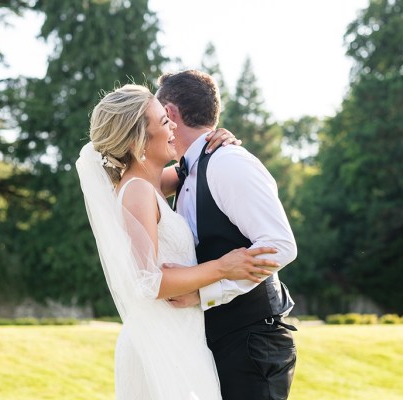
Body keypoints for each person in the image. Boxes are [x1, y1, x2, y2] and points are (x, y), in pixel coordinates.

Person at [76, 84, 282, 400]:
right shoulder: (138, 193)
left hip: (183, 335)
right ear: (137, 142)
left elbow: (195, 167)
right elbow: (147, 281)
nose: (173, 125)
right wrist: (223, 267)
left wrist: (220, 139)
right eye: (163, 122)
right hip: (162, 342)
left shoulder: (153, 185)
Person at [156, 69, 298, 400]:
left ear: (171, 114)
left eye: (159, 116)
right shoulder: (188, 170)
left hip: (251, 344)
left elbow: (279, 246)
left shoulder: (228, 163)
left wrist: (206, 294)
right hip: (211, 343)